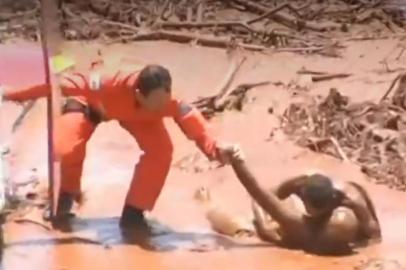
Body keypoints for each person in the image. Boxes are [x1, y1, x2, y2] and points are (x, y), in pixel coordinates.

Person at [2, 64, 235, 228]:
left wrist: (215, 150)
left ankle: (135, 212)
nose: (161, 107)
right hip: (91, 106)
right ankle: (67, 193)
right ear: (138, 93)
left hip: (139, 118)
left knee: (162, 152)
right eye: (155, 103)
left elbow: (196, 125)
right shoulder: (106, 83)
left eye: (164, 101)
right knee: (65, 148)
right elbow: (64, 83)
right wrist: (12, 94)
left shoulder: (169, 102)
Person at [225, 147, 381, 254]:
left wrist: (361, 248)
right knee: (265, 225)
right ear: (303, 196)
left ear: (331, 203)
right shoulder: (299, 184)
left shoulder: (353, 199)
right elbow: (261, 195)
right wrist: (264, 225)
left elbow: (375, 237)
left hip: (338, 227)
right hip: (310, 226)